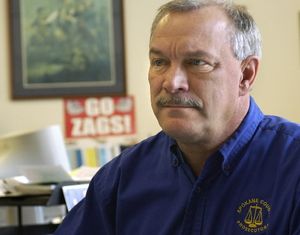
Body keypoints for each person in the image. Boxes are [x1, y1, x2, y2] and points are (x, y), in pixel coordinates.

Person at [54, 0, 300, 234]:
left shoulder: (292, 167)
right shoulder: (121, 178)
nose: (172, 83)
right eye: (159, 62)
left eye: (197, 62)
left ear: (246, 75)